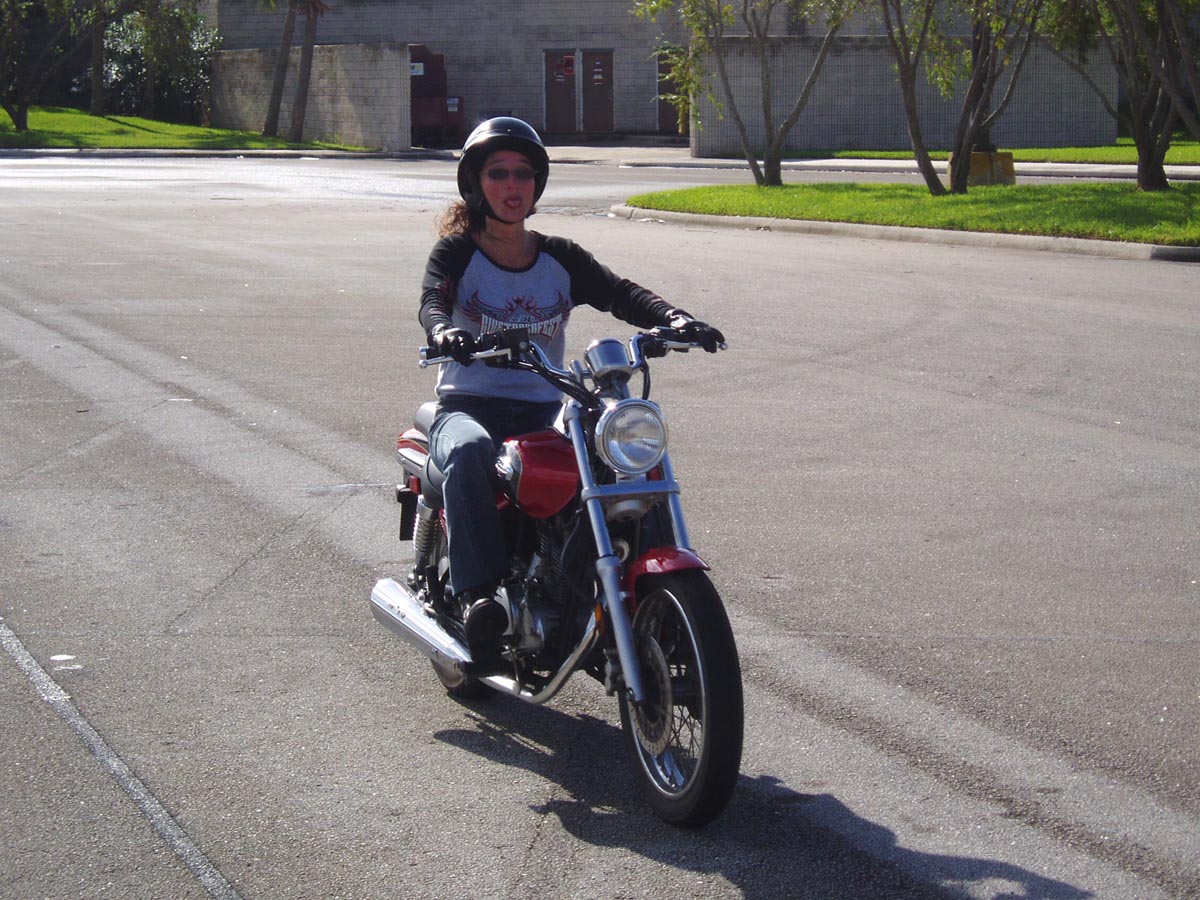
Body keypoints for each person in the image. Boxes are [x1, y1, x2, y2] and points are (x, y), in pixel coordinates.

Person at [418, 116, 723, 662]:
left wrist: (675, 319)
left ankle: (638, 595)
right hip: (468, 406)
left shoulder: (558, 256)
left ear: (537, 183)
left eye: (524, 173)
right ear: (475, 184)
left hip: (544, 410)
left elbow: (619, 293)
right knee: (468, 449)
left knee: (623, 456)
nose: (513, 185)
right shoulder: (458, 253)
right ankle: (478, 596)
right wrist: (444, 331)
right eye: (498, 173)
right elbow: (433, 300)